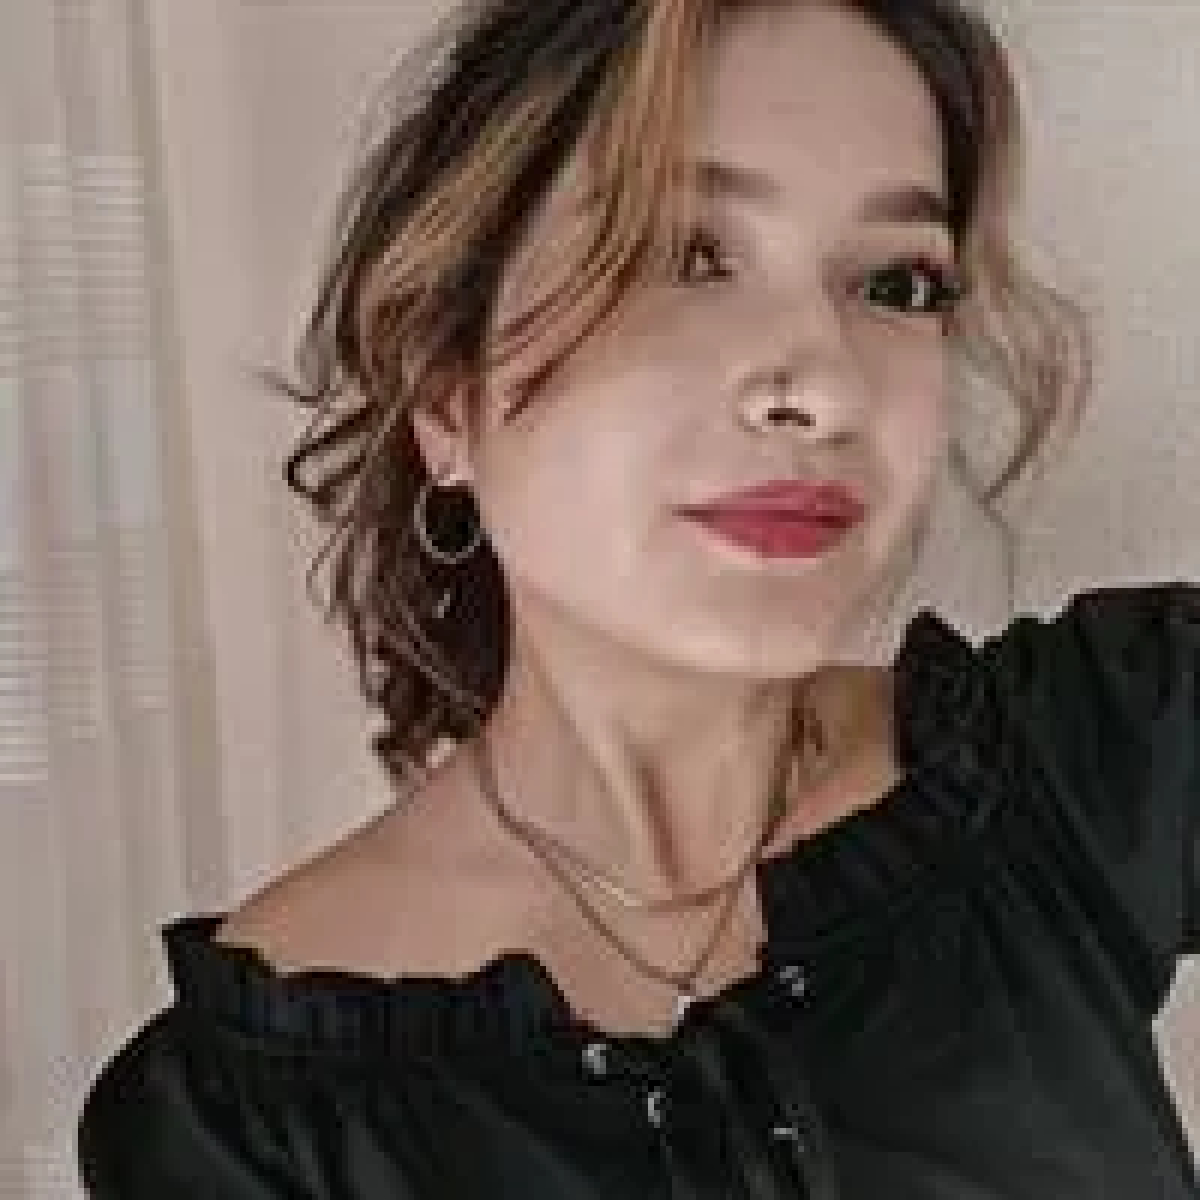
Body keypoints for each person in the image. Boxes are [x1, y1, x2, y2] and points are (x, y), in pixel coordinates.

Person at [75, 0, 1200, 1196]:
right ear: (448, 391)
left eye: (899, 282)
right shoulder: (249, 1126)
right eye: (688, 257)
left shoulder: (1098, 752)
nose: (823, 387)